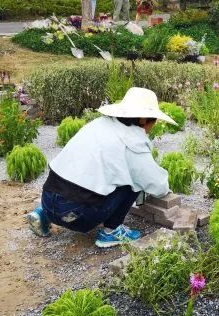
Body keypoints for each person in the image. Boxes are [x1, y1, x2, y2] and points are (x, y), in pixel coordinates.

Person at [26, 87, 177, 248]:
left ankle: (43, 214)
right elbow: (156, 185)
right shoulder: (133, 141)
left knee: (88, 176)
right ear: (143, 119)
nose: (153, 126)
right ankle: (111, 231)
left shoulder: (99, 124)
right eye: (153, 120)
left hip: (48, 199)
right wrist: (165, 188)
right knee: (134, 182)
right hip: (77, 215)